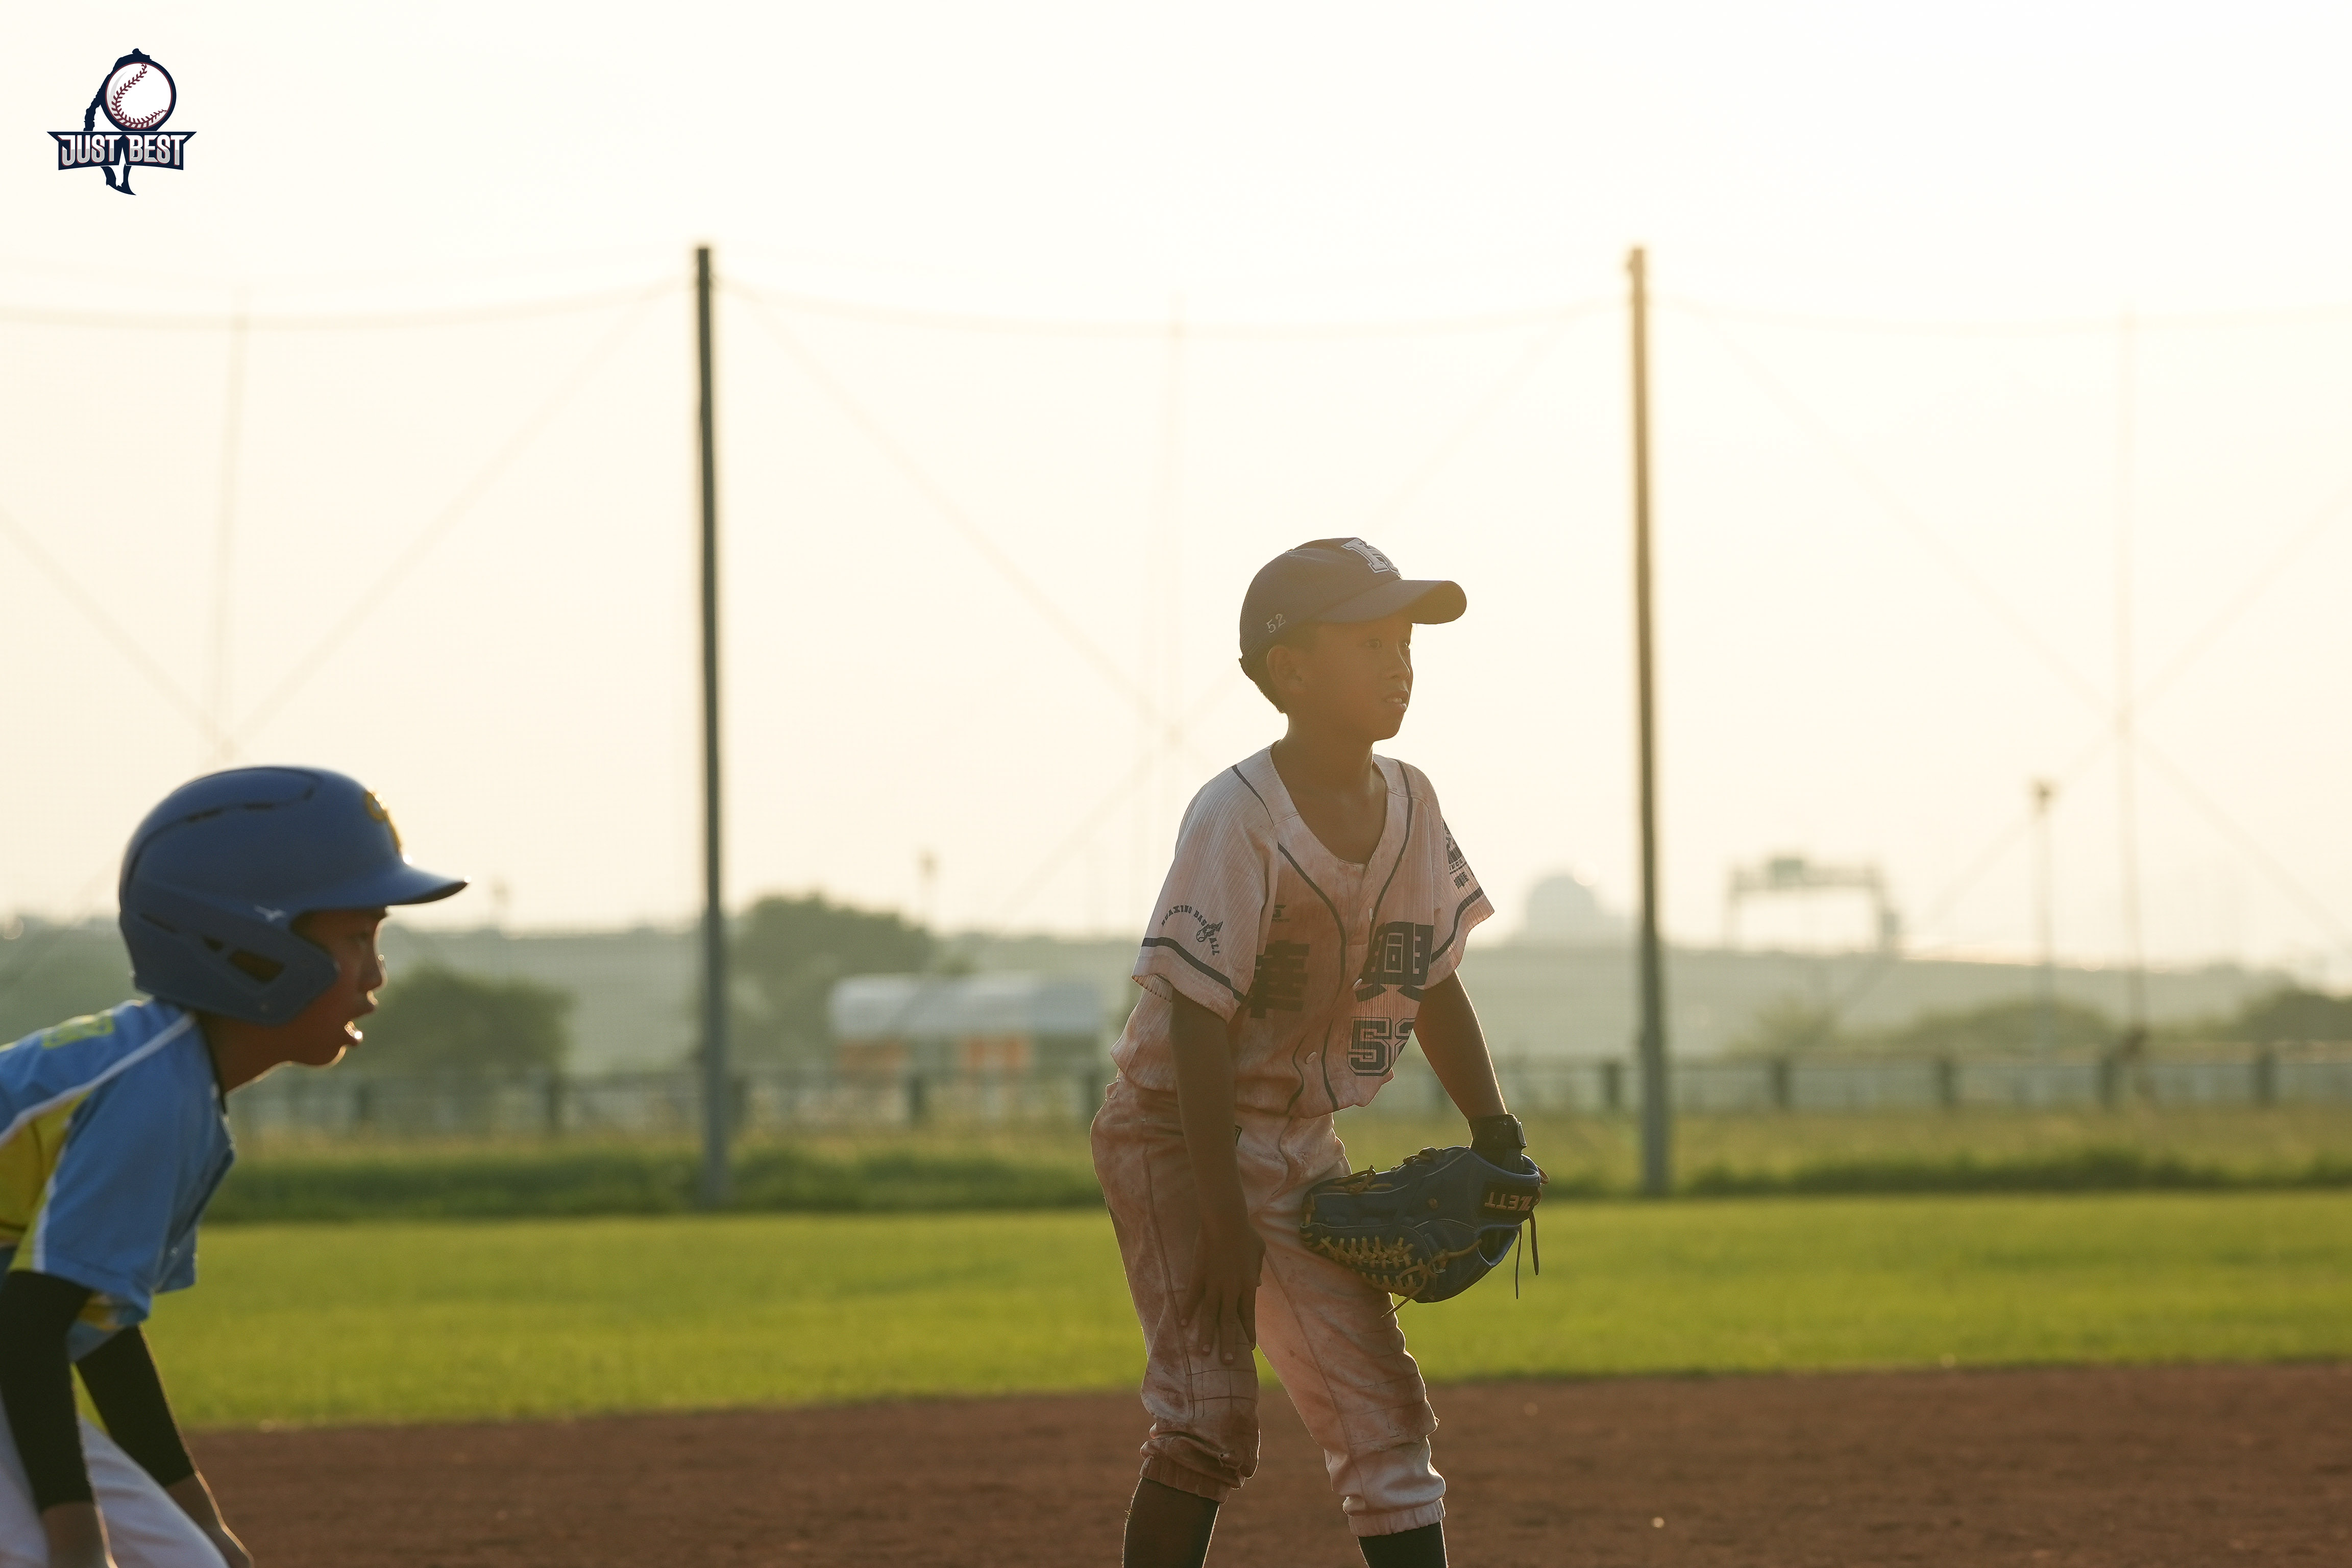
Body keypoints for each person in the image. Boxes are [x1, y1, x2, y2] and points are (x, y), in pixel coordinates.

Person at [1092, 538, 1534, 1568]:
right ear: (1290, 670)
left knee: (1383, 1416)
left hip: (1298, 1139)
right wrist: (1222, 1215)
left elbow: (1430, 976)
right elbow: (1196, 1021)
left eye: (1405, 643)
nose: (1400, 664)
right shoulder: (1238, 815)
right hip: (1175, 1136)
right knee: (1207, 1417)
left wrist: (1497, 1132)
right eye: (1370, 642)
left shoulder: (1413, 801)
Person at [0, 768, 464, 1568]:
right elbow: (29, 1327)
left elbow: (90, 1326)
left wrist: (202, 1522)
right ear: (250, 950)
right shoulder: (153, 1093)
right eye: (357, 939)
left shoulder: (169, 1080)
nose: (376, 974)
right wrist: (77, 1543)